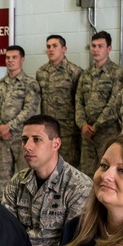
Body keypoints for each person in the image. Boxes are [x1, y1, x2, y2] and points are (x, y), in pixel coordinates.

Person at [1, 115, 92, 246]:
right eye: (24, 140)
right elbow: (5, 234)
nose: (27, 146)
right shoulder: (17, 182)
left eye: (37, 140)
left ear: (56, 144)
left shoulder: (79, 186)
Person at [0, 45, 42, 198]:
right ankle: (4, 215)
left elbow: (30, 110)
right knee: (3, 181)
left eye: (14, 57)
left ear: (22, 59)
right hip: (1, 140)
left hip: (22, 139)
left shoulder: (30, 84)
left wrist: (9, 127)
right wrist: (0, 127)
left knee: (27, 178)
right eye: (8, 58)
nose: (10, 60)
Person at [75, 31, 123, 175]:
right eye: (93, 46)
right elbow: (78, 101)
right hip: (87, 135)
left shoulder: (117, 73)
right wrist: (83, 125)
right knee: (86, 175)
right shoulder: (86, 74)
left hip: (107, 134)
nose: (96, 50)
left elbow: (114, 104)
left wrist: (96, 126)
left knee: (107, 173)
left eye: (100, 46)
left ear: (109, 48)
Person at [36, 35, 83, 166]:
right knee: (47, 166)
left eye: (55, 46)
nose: (51, 49)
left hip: (67, 131)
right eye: (48, 46)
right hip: (48, 129)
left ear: (64, 49)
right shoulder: (41, 72)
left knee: (67, 167)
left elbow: (79, 101)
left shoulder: (74, 72)